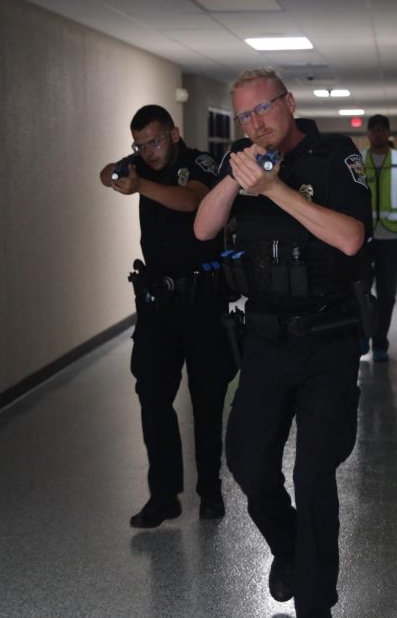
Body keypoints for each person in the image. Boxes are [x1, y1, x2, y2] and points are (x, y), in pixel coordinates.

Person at [194, 68, 372, 618]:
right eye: (244, 114)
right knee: (246, 462)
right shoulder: (238, 163)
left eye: (263, 109)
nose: (256, 122)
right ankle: (290, 548)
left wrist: (274, 188)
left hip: (328, 338)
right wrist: (234, 178)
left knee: (313, 474)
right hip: (267, 339)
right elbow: (203, 229)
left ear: (289, 103)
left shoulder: (335, 155)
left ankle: (315, 605)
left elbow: (349, 238)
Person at [99, 104, 237, 528]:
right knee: (153, 397)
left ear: (174, 134)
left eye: (155, 141)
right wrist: (115, 174)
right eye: (140, 144)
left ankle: (210, 490)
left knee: (207, 398)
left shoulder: (201, 162)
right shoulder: (140, 165)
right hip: (158, 306)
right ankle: (164, 496)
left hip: (201, 303)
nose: (148, 151)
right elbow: (106, 172)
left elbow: (192, 201)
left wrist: (140, 186)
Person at [360, 114, 397, 362]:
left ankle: (380, 342)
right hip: (363, 239)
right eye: (373, 129)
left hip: (391, 238)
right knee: (360, 291)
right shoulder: (357, 161)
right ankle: (363, 335)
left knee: (387, 294)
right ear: (368, 134)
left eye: (381, 129)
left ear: (387, 132)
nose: (377, 133)